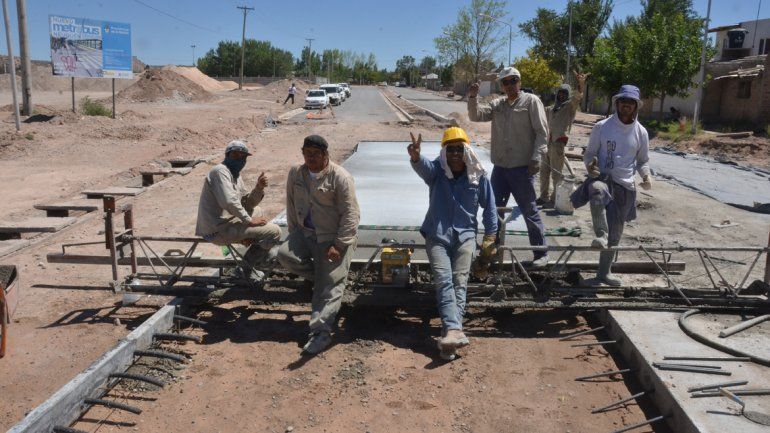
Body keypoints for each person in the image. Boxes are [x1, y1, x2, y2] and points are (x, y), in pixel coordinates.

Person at [408, 127, 497, 361]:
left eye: (459, 149)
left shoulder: (478, 176)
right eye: (451, 149)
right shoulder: (437, 172)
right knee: (444, 279)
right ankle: (454, 329)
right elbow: (423, 167)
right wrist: (416, 156)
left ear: (466, 150)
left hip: (465, 235)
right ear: (445, 152)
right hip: (437, 235)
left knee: (460, 281)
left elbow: (490, 207)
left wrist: (490, 236)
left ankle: (450, 335)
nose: (455, 154)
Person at [277, 135, 360, 355]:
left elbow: (351, 215)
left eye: (315, 153)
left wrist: (340, 245)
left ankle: (320, 332)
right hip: (306, 234)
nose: (310, 158)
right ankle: (325, 278)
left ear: (326, 154)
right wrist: (294, 234)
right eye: (307, 153)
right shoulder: (296, 173)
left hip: (331, 238)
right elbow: (291, 203)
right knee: (285, 255)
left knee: (328, 286)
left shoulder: (340, 177)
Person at [467, 66, 549, 268]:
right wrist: (472, 97)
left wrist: (537, 158)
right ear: (501, 86)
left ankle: (541, 254)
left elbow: (541, 132)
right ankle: (492, 252)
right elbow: (476, 115)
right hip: (501, 169)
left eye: (514, 80)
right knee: (493, 211)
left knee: (529, 211)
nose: (510, 85)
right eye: (506, 82)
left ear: (519, 82)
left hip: (522, 169)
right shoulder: (498, 105)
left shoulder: (531, 102)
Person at [572, 85, 652, 286]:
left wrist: (646, 176)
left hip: (625, 185)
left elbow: (643, 160)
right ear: (617, 103)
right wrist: (590, 166)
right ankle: (600, 234)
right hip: (604, 178)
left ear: (636, 106)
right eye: (623, 101)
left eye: (631, 102)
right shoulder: (602, 127)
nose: (626, 105)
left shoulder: (641, 132)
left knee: (616, 233)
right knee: (596, 190)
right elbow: (590, 153)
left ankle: (603, 274)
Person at [195, 140, 282, 279]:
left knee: (257, 210)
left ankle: (249, 242)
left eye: (243, 156)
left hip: (227, 223)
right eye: (236, 155)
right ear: (227, 155)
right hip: (217, 229)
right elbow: (229, 201)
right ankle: (245, 269)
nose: (240, 159)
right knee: (275, 232)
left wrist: (259, 188)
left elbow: (247, 203)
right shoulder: (220, 171)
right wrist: (248, 221)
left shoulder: (235, 174)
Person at [538, 71, 587, 206]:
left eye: (564, 94)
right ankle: (543, 197)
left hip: (558, 144)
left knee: (556, 174)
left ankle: (554, 199)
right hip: (547, 144)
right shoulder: (551, 108)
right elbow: (539, 110)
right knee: (544, 172)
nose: (561, 95)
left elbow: (577, 98)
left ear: (567, 96)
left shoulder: (569, 108)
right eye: (560, 93)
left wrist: (580, 85)